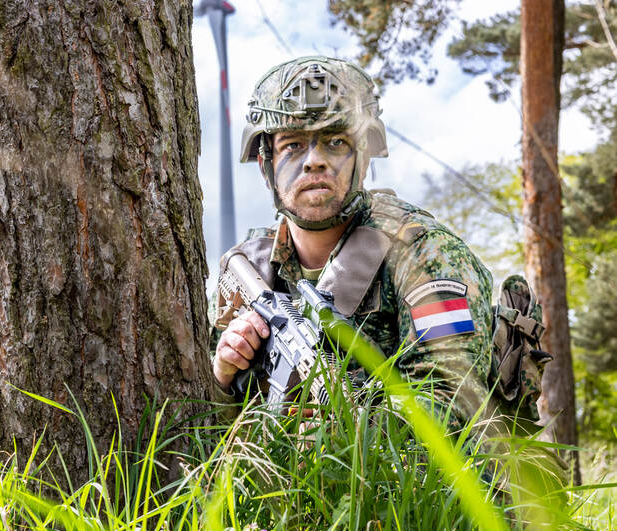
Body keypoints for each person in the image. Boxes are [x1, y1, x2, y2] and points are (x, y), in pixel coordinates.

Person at [211, 56, 496, 431]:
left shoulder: (425, 256)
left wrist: (337, 432)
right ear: (267, 165)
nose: (314, 161)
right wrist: (223, 378)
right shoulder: (249, 271)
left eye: (335, 141)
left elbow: (453, 409)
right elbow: (203, 435)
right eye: (293, 146)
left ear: (362, 158)